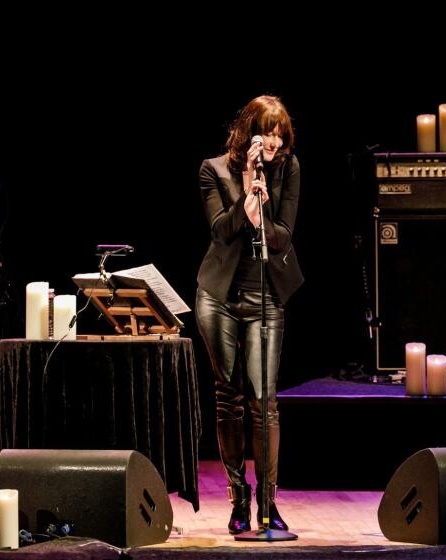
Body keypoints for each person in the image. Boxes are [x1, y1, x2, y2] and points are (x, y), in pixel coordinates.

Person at [195, 95, 302, 534]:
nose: (275, 141)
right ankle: (238, 498)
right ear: (249, 133)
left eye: (282, 133)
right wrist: (245, 195)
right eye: (268, 132)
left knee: (265, 402)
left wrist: (262, 215)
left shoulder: (289, 170)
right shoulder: (213, 170)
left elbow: (282, 238)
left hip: (266, 297)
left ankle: (269, 502)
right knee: (228, 398)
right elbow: (221, 230)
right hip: (218, 295)